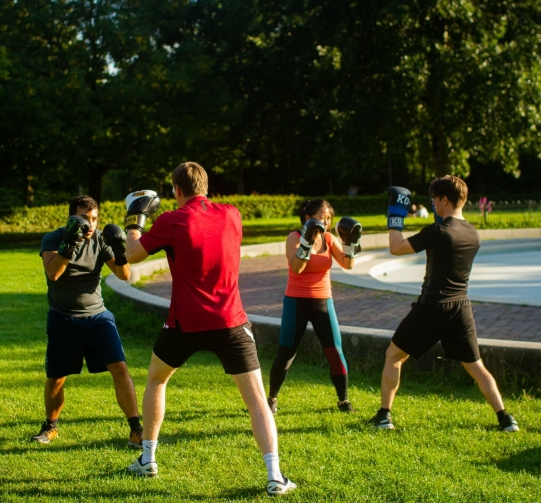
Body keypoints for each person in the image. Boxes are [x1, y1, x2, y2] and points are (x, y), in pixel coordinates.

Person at [122, 162, 297, 496]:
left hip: (184, 323)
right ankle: (274, 476)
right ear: (205, 186)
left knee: (157, 380)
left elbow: (132, 255)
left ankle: (148, 458)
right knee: (257, 400)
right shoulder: (232, 215)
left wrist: (135, 221)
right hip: (230, 320)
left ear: (176, 191)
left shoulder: (171, 220)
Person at [370, 176, 519, 432]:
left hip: (431, 307)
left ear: (444, 199)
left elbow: (396, 248)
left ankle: (384, 416)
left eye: (434, 199)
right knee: (476, 366)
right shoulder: (473, 234)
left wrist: (396, 214)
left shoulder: (437, 232)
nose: (433, 204)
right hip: (461, 308)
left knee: (393, 356)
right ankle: (506, 419)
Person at [32, 195, 144, 448]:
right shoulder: (54, 238)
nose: (90, 224)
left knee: (120, 367)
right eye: (84, 218)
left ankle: (136, 429)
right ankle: (50, 427)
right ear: (72, 217)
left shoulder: (100, 238)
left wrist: (119, 249)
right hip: (63, 317)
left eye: (94, 219)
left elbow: (124, 275)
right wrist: (69, 244)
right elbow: (54, 273)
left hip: (98, 316)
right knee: (57, 377)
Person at [267, 199, 361, 415]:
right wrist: (307, 241)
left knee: (335, 352)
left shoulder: (329, 238)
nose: (326, 221)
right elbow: (297, 267)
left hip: (323, 302)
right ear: (308, 218)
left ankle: (343, 400)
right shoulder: (294, 238)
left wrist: (351, 243)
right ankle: (272, 398)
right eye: (321, 217)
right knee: (286, 353)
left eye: (329, 218)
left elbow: (348, 265)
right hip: (296, 302)